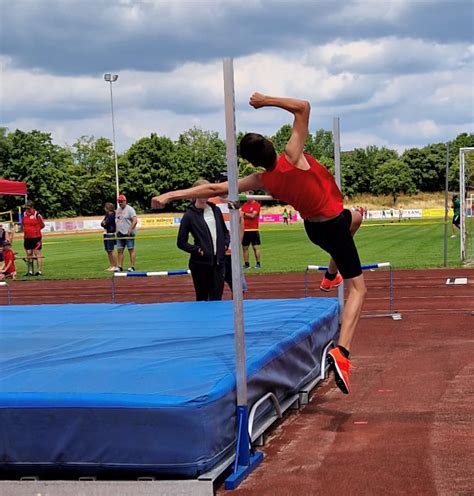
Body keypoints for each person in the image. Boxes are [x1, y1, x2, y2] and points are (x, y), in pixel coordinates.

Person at [152, 93, 366, 395]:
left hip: (316, 229)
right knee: (359, 290)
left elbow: (215, 188)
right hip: (331, 227)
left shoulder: (262, 180)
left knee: (355, 217)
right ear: (273, 145)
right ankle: (342, 353)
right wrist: (265, 100)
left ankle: (331, 275)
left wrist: (170, 195)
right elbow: (303, 107)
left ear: (252, 162)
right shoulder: (293, 156)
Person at [177, 179, 230, 301]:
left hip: (219, 264)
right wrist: (198, 250)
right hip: (200, 265)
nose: (205, 194)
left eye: (207, 191)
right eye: (202, 191)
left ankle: (216, 320)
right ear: (195, 193)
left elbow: (225, 232)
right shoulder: (189, 215)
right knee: (202, 299)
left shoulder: (216, 210)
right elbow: (181, 242)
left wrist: (225, 244)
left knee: (217, 299)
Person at [208, 172, 248, 294]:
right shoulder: (210, 202)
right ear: (216, 183)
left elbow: (241, 223)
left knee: (239, 288)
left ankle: (237, 312)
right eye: (222, 181)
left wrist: (237, 244)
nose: (226, 184)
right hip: (216, 253)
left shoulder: (234, 200)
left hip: (232, 253)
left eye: (228, 181)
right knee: (215, 289)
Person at [22, 200, 45, 276]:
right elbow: (23, 224)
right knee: (29, 253)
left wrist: (35, 230)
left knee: (37, 253)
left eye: (28, 207)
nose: (27, 209)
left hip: (36, 237)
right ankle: (30, 271)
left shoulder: (37, 214)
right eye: (26, 207)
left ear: (32, 207)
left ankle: (39, 271)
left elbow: (42, 225)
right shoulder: (24, 214)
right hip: (27, 237)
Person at [115, 194, 138, 272]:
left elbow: (135, 220)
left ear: (125, 201)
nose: (120, 203)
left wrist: (130, 229)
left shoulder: (130, 209)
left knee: (130, 249)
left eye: (121, 201)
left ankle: (132, 266)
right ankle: (119, 266)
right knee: (119, 250)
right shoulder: (118, 210)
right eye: (119, 202)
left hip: (128, 233)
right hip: (120, 233)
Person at [241, 194, 261, 269]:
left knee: (255, 247)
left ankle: (258, 263)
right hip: (244, 229)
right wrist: (245, 215)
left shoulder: (256, 204)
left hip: (253, 229)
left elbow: (253, 216)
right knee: (245, 248)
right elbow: (240, 215)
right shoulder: (244, 205)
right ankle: (246, 264)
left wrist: (244, 214)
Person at [101, 202, 118, 271]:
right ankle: (111, 265)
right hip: (106, 233)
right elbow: (102, 223)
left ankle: (115, 265)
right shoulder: (107, 214)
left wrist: (104, 223)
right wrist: (103, 223)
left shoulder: (112, 215)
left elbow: (106, 223)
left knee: (111, 250)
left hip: (110, 233)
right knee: (108, 250)